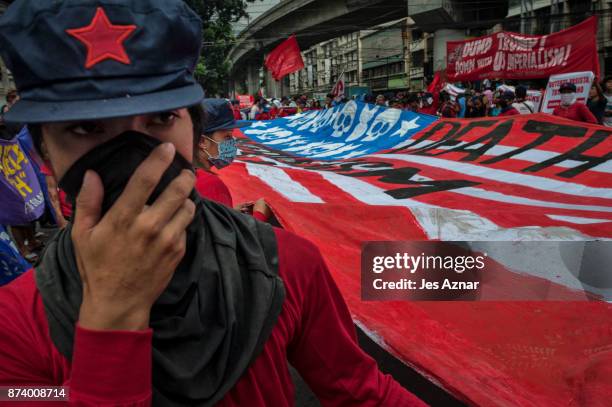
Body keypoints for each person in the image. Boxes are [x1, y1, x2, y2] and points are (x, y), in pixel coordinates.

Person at [0, 1, 426, 406]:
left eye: (161, 120)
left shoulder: (285, 265)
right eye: (86, 128)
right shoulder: (13, 324)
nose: (135, 160)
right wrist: (113, 321)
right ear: (42, 155)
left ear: (193, 133)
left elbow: (361, 392)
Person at [196, 99, 271, 221]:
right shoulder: (210, 185)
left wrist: (229, 213)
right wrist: (260, 215)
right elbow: (230, 239)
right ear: (202, 141)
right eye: (227, 137)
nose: (232, 142)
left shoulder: (186, 174)